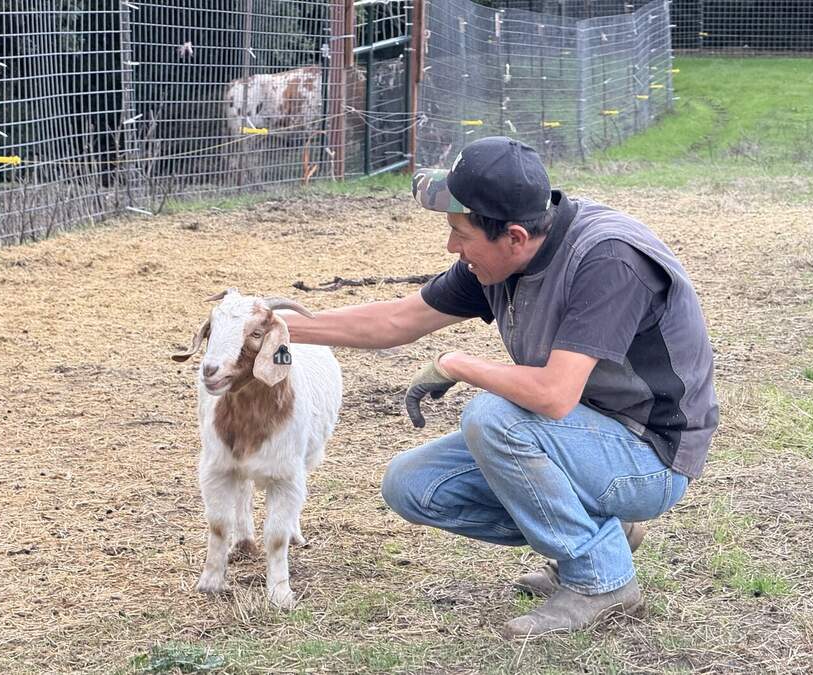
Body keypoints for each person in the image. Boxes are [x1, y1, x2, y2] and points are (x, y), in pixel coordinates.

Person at [283, 136, 718, 639]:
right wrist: (279, 327)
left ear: (513, 236)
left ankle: (601, 581)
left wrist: (459, 364)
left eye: (459, 232)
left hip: (649, 457)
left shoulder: (607, 261)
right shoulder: (499, 259)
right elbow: (396, 321)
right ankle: (605, 534)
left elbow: (554, 395)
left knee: (493, 416)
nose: (452, 247)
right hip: (576, 438)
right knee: (412, 485)